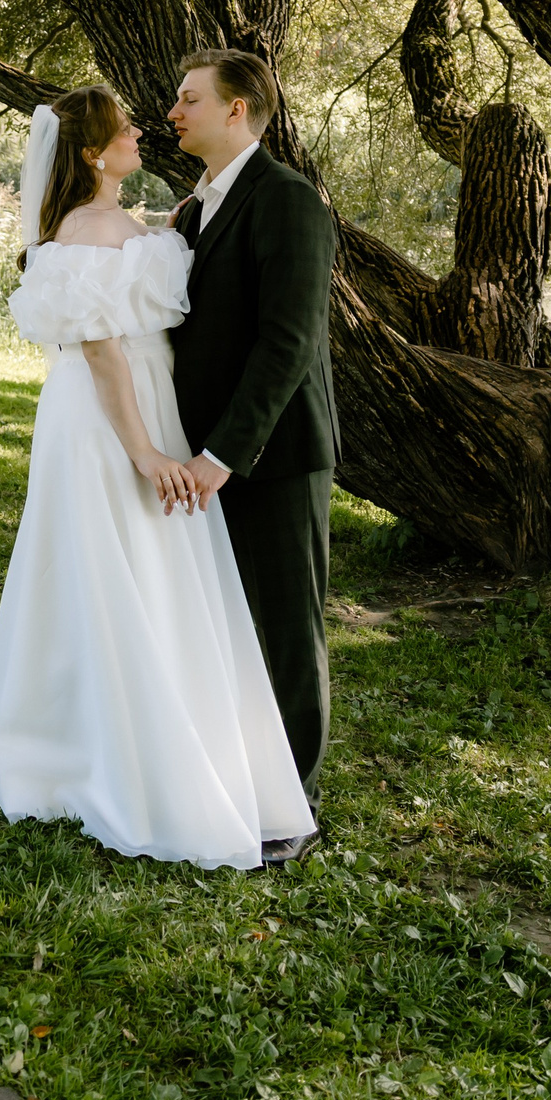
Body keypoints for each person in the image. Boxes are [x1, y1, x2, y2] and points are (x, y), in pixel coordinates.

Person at [0, 84, 312, 871]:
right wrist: (147, 454)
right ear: (94, 151)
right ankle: (109, 744)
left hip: (149, 407)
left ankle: (167, 725)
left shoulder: (128, 219)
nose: (140, 129)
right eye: (124, 125)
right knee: (114, 571)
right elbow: (102, 353)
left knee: (157, 576)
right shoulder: (85, 229)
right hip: (110, 422)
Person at [165, 49, 339, 865]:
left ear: (238, 110)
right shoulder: (195, 208)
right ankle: (239, 775)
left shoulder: (288, 201)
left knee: (285, 628)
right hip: (205, 462)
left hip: (271, 456)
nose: (173, 109)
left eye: (189, 97)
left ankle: (292, 804)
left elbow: (289, 342)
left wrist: (225, 453)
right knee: (228, 625)